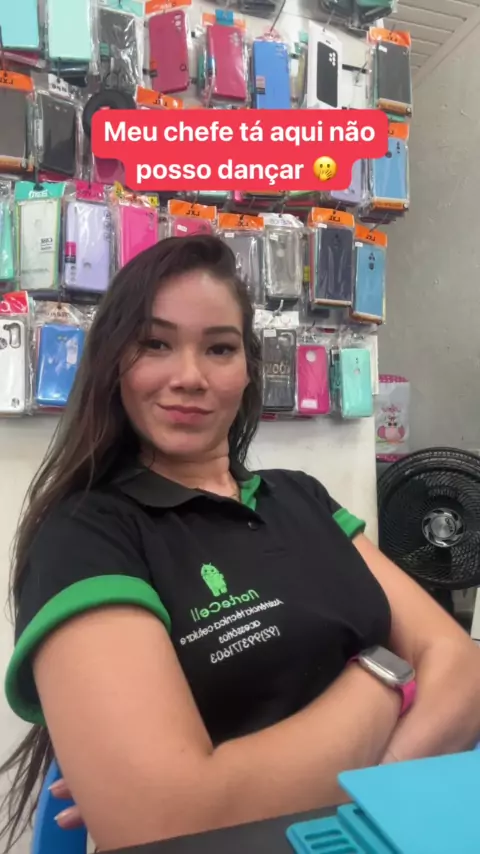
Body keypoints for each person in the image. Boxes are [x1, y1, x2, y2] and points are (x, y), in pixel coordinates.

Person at [2, 234, 480, 852]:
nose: (190, 377)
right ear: (114, 361)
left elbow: (462, 667)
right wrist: (387, 675)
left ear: (248, 367)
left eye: (220, 348)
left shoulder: (301, 497)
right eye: (155, 344)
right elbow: (169, 824)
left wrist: (366, 795)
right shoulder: (86, 536)